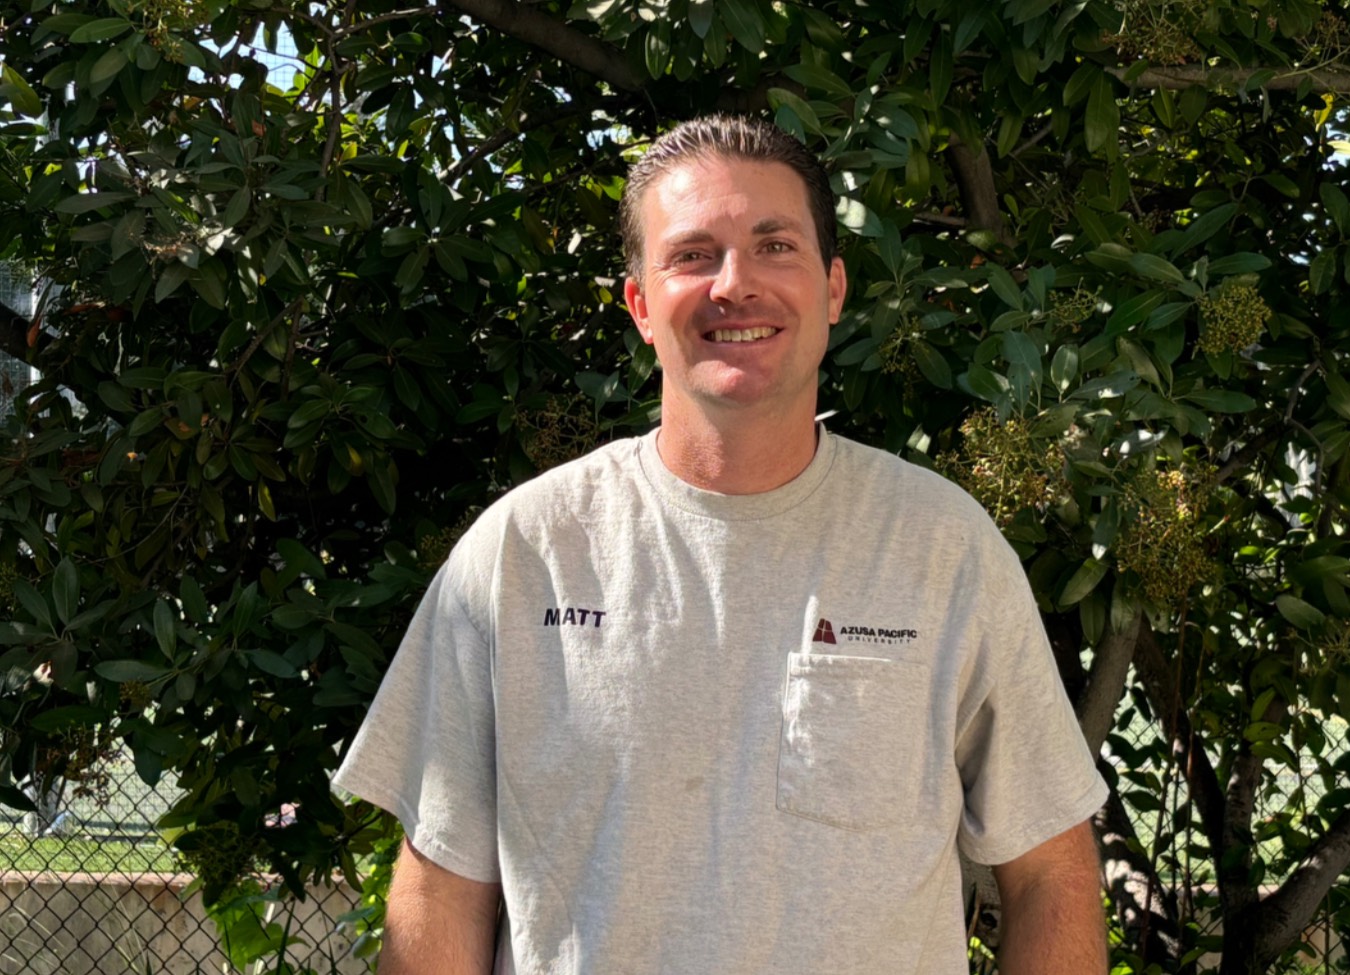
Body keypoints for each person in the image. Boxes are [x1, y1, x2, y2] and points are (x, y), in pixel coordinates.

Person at [333, 114, 1108, 975]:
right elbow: (441, 889)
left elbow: (1051, 874)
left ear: (834, 289)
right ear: (638, 304)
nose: (734, 284)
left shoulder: (942, 548)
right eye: (692, 254)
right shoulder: (523, 552)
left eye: (774, 246)